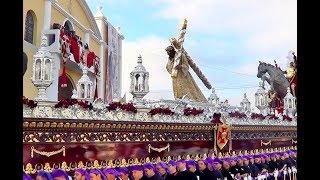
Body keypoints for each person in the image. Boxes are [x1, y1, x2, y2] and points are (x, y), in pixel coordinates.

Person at [165, 21, 207, 103]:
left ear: (173, 51)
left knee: (187, 90)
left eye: (170, 52)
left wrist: (180, 67)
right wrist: (171, 62)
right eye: (167, 53)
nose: (168, 54)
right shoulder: (171, 58)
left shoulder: (181, 55)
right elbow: (168, 67)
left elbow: (186, 66)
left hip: (183, 76)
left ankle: (191, 101)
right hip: (175, 77)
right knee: (177, 91)